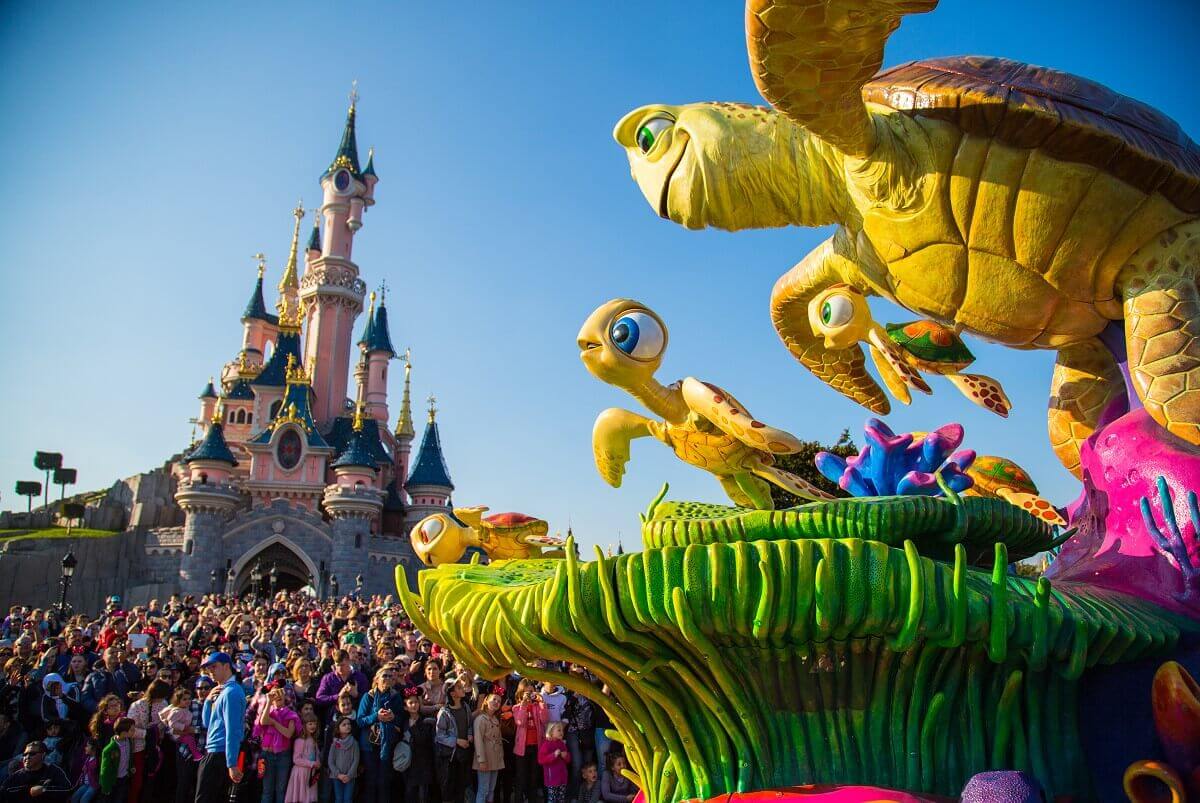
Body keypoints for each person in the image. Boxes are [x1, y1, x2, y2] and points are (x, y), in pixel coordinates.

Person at [195, 652, 246, 803]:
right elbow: (208, 724)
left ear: (226, 666)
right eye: (209, 667)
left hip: (220, 753)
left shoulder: (231, 692)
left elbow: (233, 729)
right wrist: (208, 702)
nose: (210, 670)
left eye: (214, 666)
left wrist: (231, 763)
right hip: (214, 750)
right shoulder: (222, 690)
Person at [355, 667, 399, 803]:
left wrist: (393, 717)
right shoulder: (368, 696)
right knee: (371, 780)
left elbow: (401, 719)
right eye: (384, 676)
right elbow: (360, 720)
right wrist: (376, 716)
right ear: (377, 679)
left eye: (390, 677)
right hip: (369, 745)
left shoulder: (395, 696)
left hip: (387, 744)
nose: (387, 679)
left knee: (384, 781)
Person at [252, 684, 299, 803]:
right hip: (267, 755)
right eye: (274, 694)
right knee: (267, 790)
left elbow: (288, 734)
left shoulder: (291, 714)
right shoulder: (268, 712)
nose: (277, 696)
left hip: (283, 755)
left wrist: (274, 723)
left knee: (281, 789)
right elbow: (263, 721)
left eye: (280, 694)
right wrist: (269, 701)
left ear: (285, 697)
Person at [126, 679, 170, 802]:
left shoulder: (164, 704)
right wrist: (147, 734)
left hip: (155, 748)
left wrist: (158, 730)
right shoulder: (137, 706)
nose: (161, 699)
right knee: (137, 781)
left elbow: (165, 723)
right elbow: (129, 730)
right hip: (138, 748)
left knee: (152, 779)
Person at [434, 680, 473, 803]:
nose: (463, 689)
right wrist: (456, 741)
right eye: (459, 688)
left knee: (462, 786)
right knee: (449, 787)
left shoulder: (465, 707)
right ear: (452, 693)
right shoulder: (444, 712)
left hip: (464, 753)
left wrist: (470, 735)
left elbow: (470, 725)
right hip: (450, 756)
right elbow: (440, 735)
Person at [0, 740, 72, 802]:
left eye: (32, 754)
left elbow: (67, 789)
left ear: (43, 755)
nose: (27, 757)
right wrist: (27, 790)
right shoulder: (17, 776)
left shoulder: (54, 771)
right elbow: (4, 792)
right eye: (25, 754)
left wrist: (43, 790)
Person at [511, 683, 547, 803]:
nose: (529, 695)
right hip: (522, 748)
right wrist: (524, 706)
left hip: (537, 746)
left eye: (531, 692)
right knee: (521, 778)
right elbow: (520, 722)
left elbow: (545, 719)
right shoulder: (516, 707)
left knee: (534, 778)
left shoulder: (538, 706)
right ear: (521, 694)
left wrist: (542, 702)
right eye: (526, 692)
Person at [400, 688, 434, 803]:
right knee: (409, 793)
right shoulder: (403, 722)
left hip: (423, 763)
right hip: (408, 763)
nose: (414, 705)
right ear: (405, 707)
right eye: (410, 703)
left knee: (423, 795)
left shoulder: (426, 721)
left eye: (416, 702)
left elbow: (425, 740)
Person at [472, 693, 504, 803]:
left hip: (495, 760)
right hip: (485, 760)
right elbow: (478, 741)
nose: (496, 702)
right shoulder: (480, 719)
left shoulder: (495, 719)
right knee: (483, 789)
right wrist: (481, 760)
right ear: (486, 701)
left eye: (499, 701)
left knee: (491, 790)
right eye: (494, 699)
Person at [283, 715, 319, 803]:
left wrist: (318, 762)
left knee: (309, 798)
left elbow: (316, 754)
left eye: (314, 724)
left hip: (311, 773)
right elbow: (296, 759)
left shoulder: (313, 740)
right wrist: (312, 764)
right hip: (301, 774)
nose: (313, 726)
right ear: (304, 725)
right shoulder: (300, 741)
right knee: (301, 797)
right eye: (310, 724)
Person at [98, 719, 134, 803]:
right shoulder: (109, 750)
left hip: (124, 778)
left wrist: (131, 767)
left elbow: (129, 756)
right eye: (132, 730)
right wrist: (105, 787)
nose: (134, 731)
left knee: (120, 799)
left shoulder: (129, 741)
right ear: (124, 732)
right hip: (113, 781)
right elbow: (104, 770)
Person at [325, 718, 358, 803]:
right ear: (338, 728)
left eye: (349, 724)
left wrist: (349, 775)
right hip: (337, 776)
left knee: (348, 799)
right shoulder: (334, 743)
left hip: (350, 777)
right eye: (344, 724)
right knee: (338, 799)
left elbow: (356, 760)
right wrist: (338, 774)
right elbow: (330, 761)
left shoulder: (354, 743)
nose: (347, 726)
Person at [538, 722, 570, 803]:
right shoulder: (546, 745)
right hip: (552, 780)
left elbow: (568, 759)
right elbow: (541, 760)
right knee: (552, 800)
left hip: (563, 779)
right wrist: (553, 755)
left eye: (562, 730)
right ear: (551, 732)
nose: (561, 732)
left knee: (561, 799)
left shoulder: (562, 743)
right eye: (559, 730)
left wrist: (565, 756)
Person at [70, 738, 99, 803]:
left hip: (93, 786)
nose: (85, 748)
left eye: (87, 746)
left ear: (93, 748)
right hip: (85, 784)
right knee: (74, 797)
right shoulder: (88, 758)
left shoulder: (96, 761)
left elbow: (94, 772)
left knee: (83, 800)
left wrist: (87, 768)